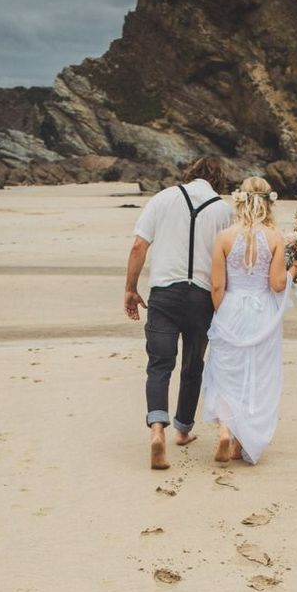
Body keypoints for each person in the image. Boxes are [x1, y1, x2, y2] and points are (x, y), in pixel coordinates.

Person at [124, 156, 233, 469]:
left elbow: (138, 247)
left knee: (159, 364)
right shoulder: (223, 210)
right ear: (218, 180)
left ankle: (157, 430)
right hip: (202, 297)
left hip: (164, 295)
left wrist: (131, 289)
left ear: (190, 174)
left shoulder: (163, 198)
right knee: (192, 365)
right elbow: (228, 260)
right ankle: (183, 429)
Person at [201, 176, 291, 465]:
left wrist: (221, 314)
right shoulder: (276, 237)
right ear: (269, 201)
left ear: (239, 200)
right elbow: (277, 284)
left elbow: (217, 285)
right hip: (262, 312)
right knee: (256, 375)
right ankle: (242, 441)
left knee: (226, 373)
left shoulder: (225, 236)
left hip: (231, 307)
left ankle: (226, 430)